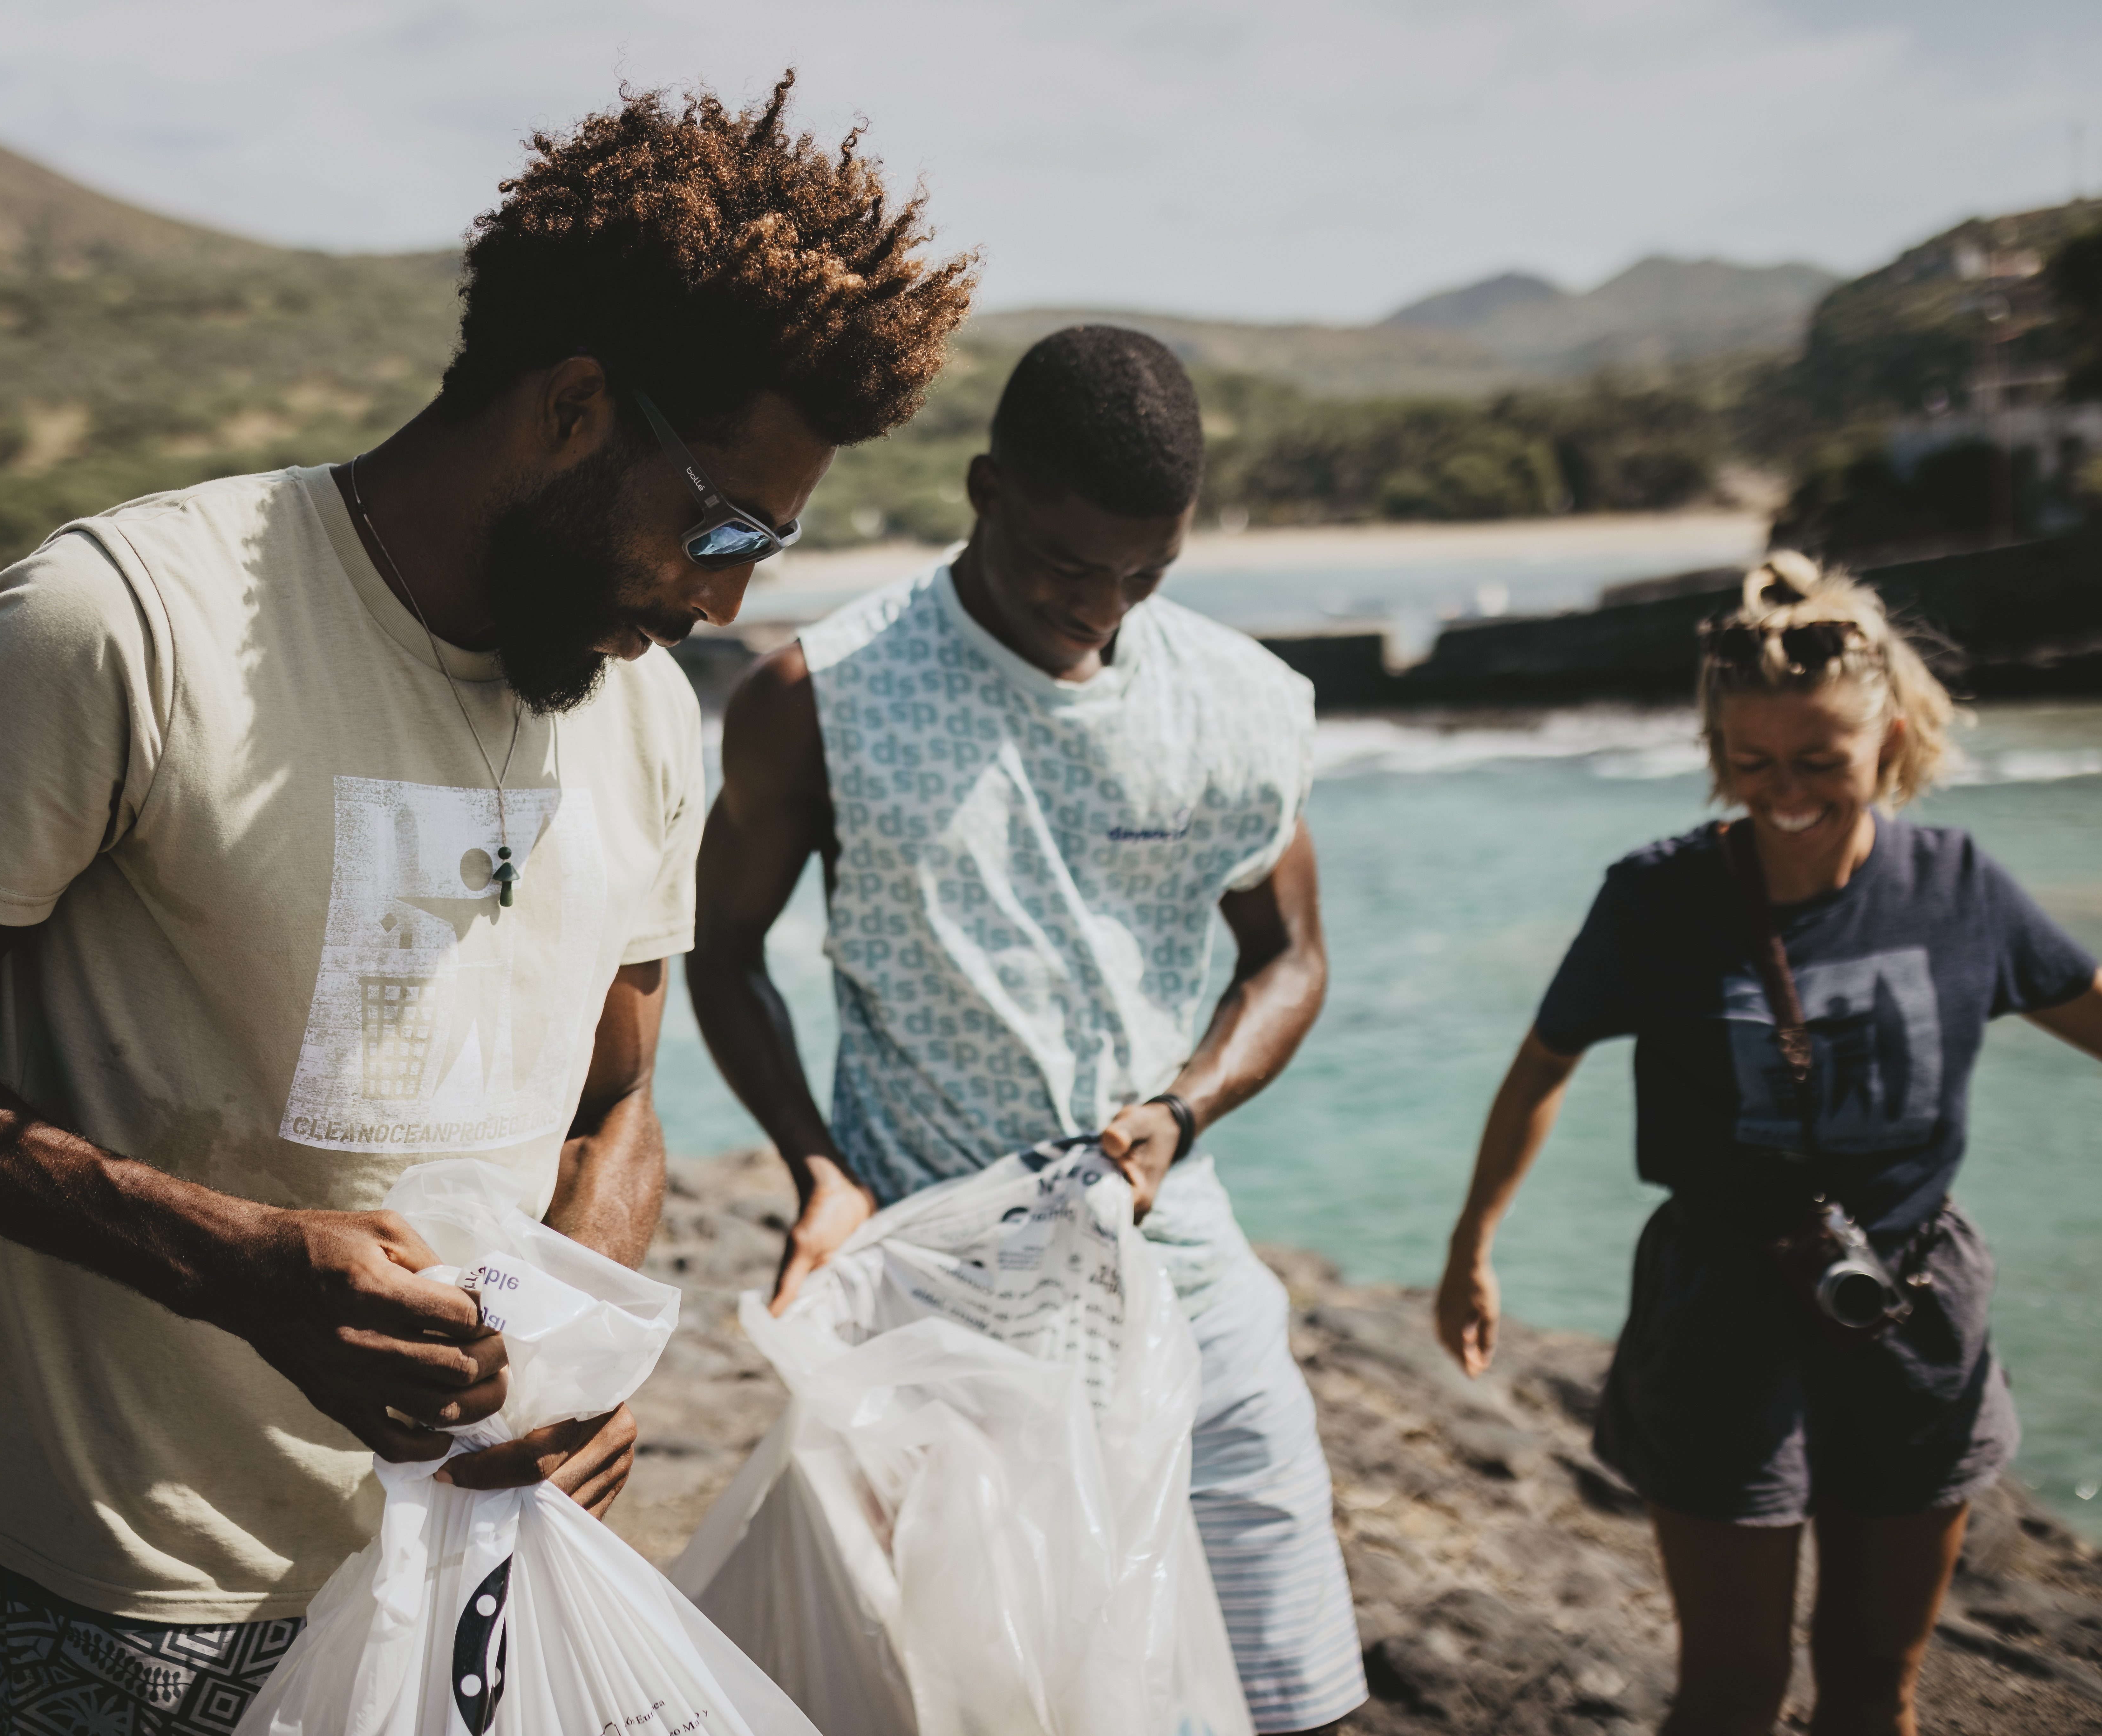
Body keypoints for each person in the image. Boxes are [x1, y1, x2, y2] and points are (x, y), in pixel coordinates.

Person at [0, 79, 972, 1735]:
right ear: (576, 405)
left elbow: (617, 1101)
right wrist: (231, 1257)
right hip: (146, 1592)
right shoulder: (123, 625)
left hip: (488, 1554)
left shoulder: (652, 711)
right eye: (722, 523)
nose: (726, 595)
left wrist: (576, 1364)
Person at [688, 325, 1370, 1733]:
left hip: (1183, 1284)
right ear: (986, 490)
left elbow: (1289, 957)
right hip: (943, 1318)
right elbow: (722, 953)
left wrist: (1180, 1112)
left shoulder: (1233, 705)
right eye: (1069, 563)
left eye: (1144, 575)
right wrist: (817, 1168)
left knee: (1287, 1701)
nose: (1101, 605)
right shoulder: (824, 698)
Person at [1434, 554, 2102, 1736]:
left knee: (1874, 1686)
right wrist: (1472, 1243)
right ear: (1714, 750)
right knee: (1732, 1694)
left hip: (1915, 1313)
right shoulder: (1659, 899)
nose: (1784, 793)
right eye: (1752, 765)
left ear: (1889, 738)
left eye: (1819, 761)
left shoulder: (1959, 888)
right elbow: (1545, 1061)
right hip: (1722, 1312)